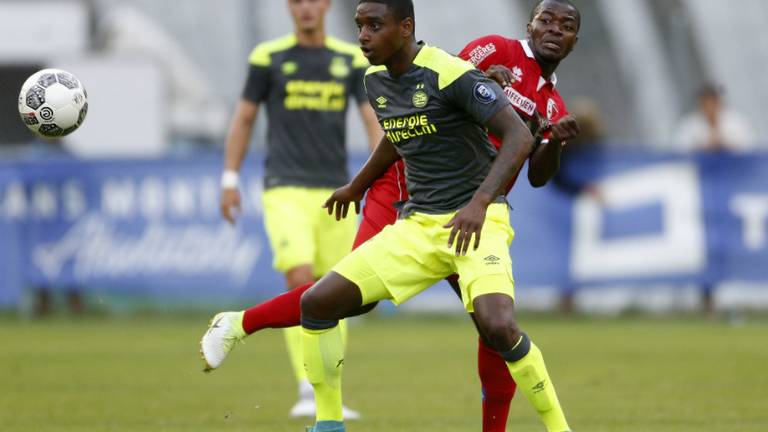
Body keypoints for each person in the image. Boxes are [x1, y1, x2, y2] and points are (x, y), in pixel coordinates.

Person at [201, 1, 581, 431]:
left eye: (565, 25)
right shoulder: (492, 50)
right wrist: (362, 184)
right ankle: (246, 331)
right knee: (340, 298)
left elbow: (536, 173)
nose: (553, 30)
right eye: (545, 20)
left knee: (494, 328)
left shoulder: (552, 104)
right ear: (529, 24)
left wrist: (550, 143)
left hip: (471, 209)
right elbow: (430, 95)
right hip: (407, 185)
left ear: (573, 41)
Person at [212, 0, 382, 419]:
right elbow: (245, 119)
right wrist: (229, 179)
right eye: (298, 1)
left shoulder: (348, 59)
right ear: (290, 7)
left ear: (325, 5)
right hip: (284, 188)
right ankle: (307, 384)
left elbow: (373, 122)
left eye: (314, 0)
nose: (306, 8)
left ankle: (329, 389)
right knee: (300, 277)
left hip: (338, 192)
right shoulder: (268, 58)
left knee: (338, 290)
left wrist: (380, 177)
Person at [673, 82, 755, 153]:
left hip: (734, 167)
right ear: (699, 103)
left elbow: (750, 147)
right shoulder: (688, 124)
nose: (710, 106)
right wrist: (703, 148)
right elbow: (679, 151)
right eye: (705, 102)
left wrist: (726, 146)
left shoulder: (736, 120)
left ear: (719, 101)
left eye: (713, 101)